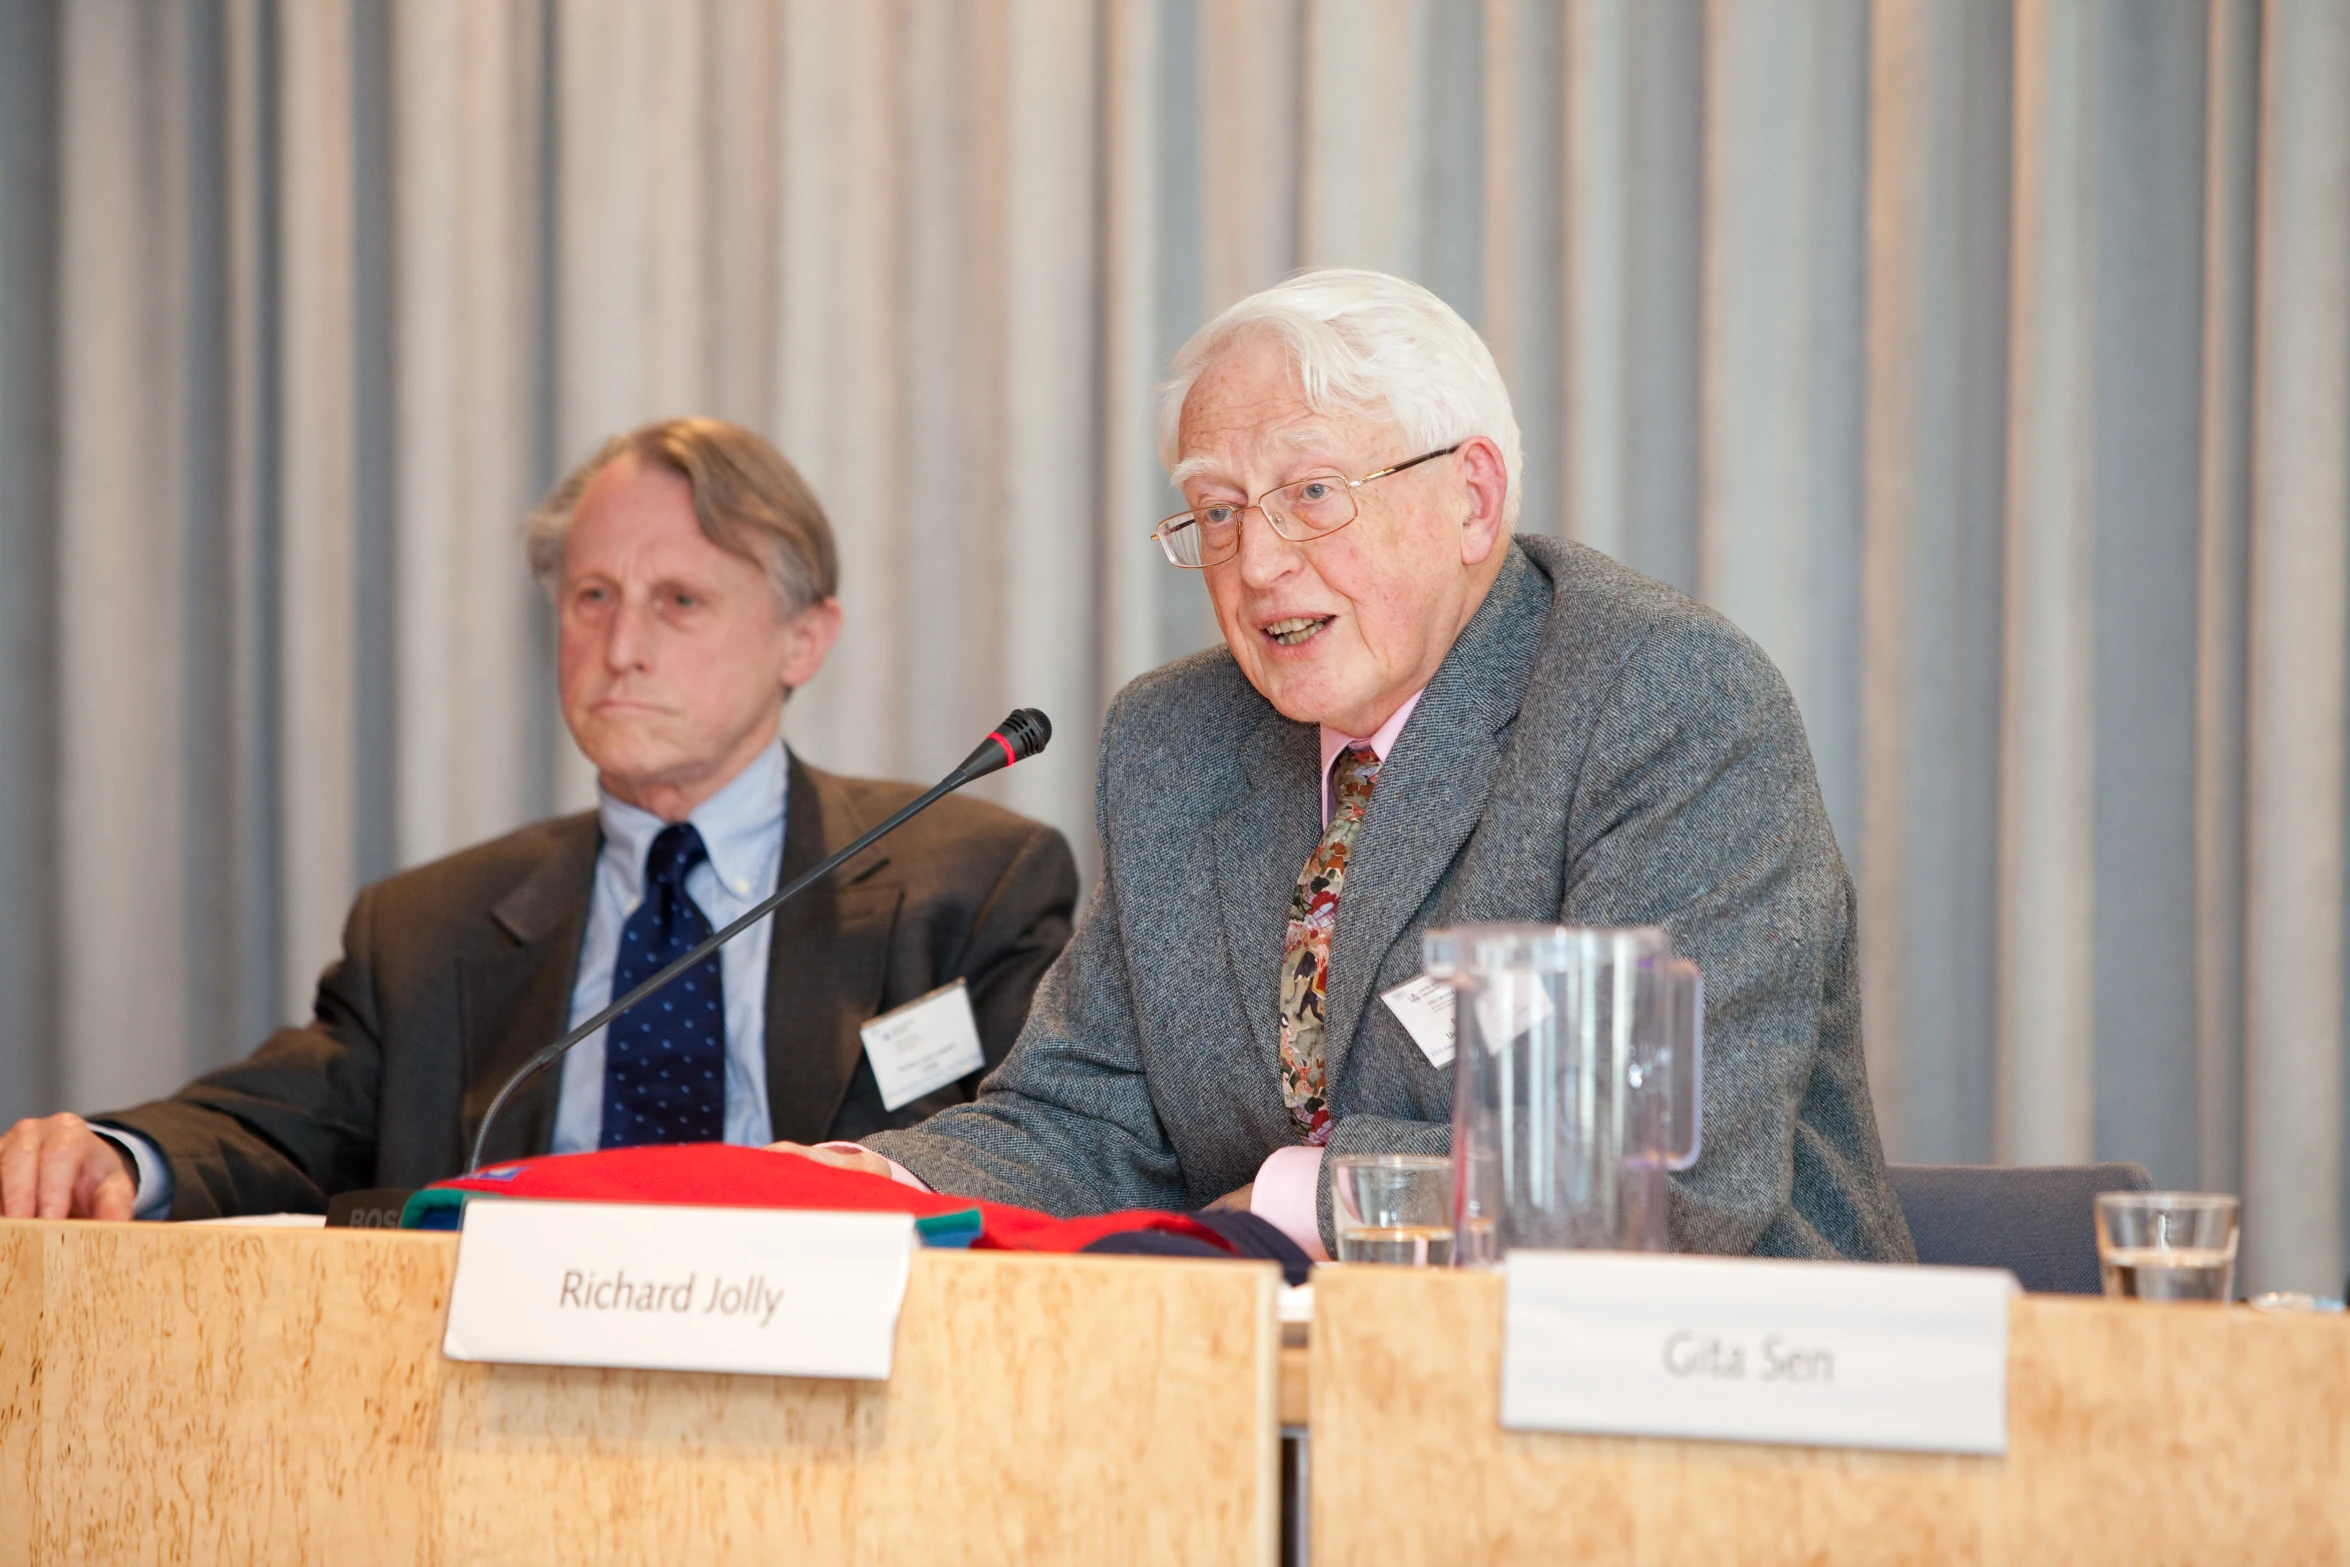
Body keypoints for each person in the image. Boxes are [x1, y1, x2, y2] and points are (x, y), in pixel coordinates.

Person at [800, 270, 1914, 1263]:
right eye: (1217, 512)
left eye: (1313, 493)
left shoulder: (1661, 698)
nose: (1259, 562)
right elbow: (1084, 1118)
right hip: (1302, 1396)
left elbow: (1656, 1176)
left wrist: (1287, 1202)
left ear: (1470, 498)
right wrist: (877, 1185)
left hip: (1701, 1397)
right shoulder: (1175, 741)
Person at [0, 417, 1078, 1221]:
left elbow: (1041, 1150)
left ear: (805, 639)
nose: (621, 647)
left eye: (681, 601)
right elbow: (276, 1119)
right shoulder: (428, 930)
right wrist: (116, 1154)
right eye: (591, 597)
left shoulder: (968, 883)